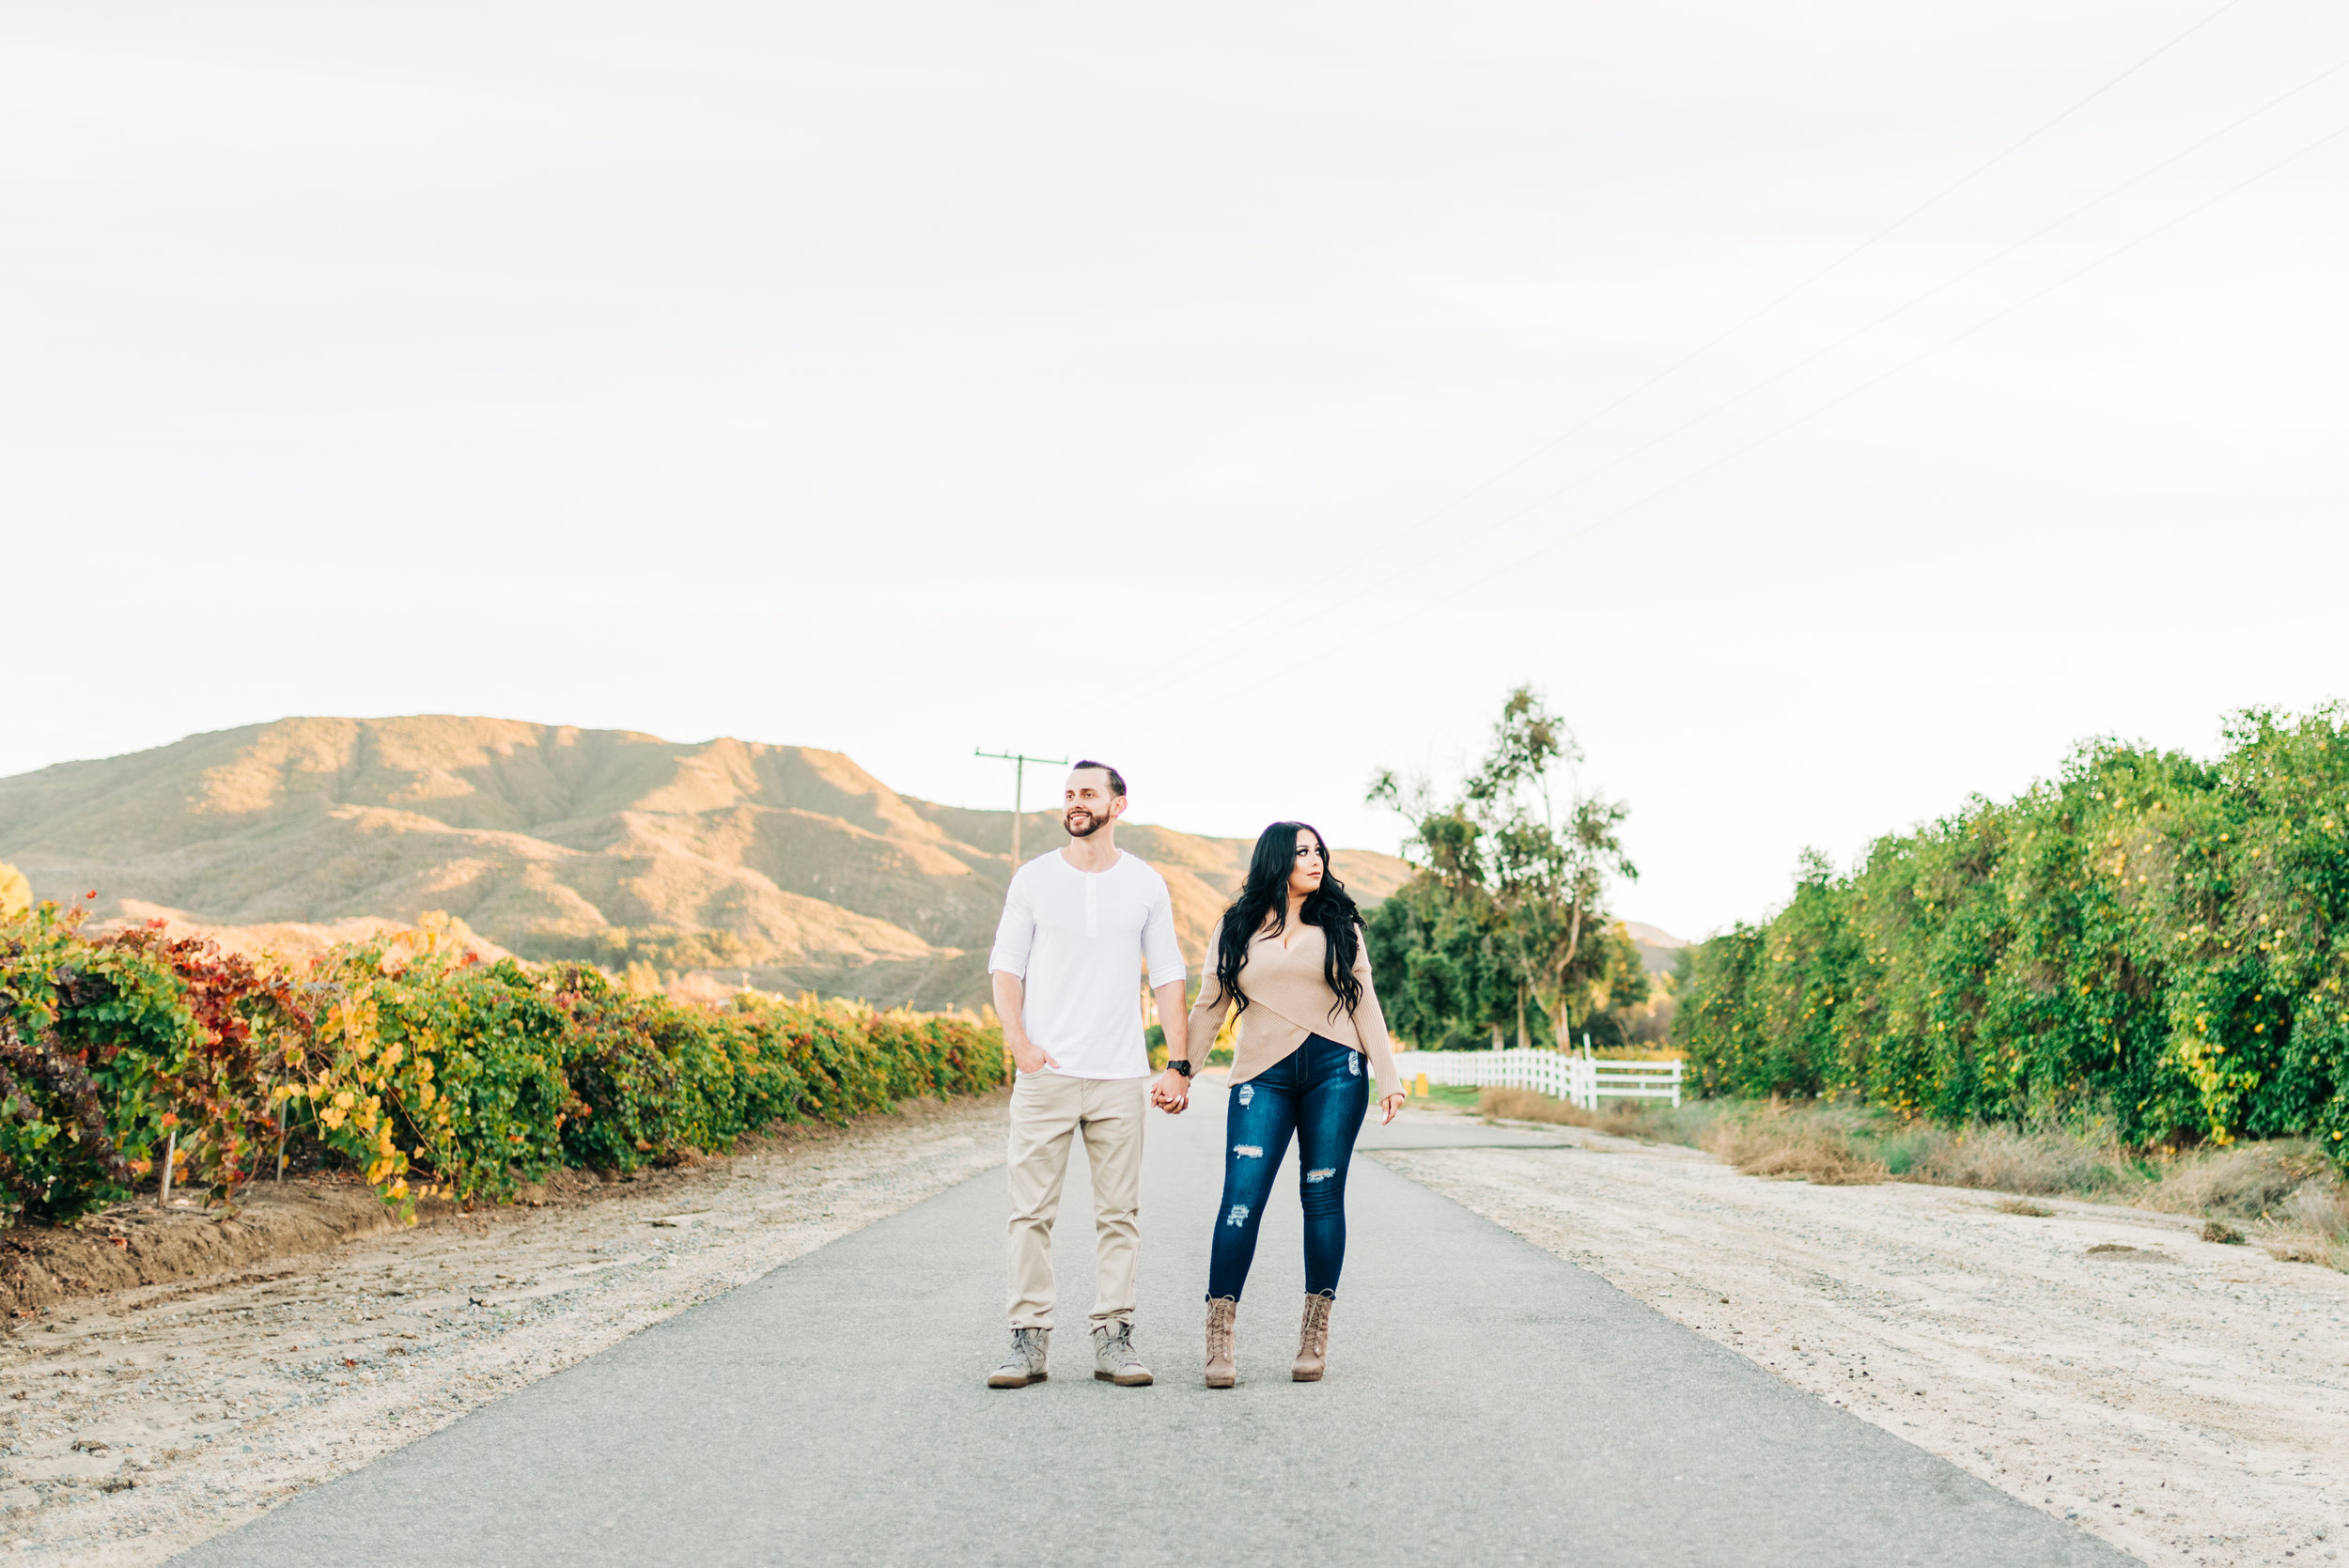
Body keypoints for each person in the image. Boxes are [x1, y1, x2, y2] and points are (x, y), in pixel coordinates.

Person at [1174, 821, 1404, 1388]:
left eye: (1319, 850)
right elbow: (1210, 1004)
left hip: (1336, 1070)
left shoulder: (1339, 923)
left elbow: (1365, 999)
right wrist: (1182, 1071)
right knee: (1240, 1202)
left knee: (1322, 1197)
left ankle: (1313, 1335)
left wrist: (1388, 1075)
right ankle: (1220, 1341)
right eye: (1302, 851)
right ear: (1276, 860)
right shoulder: (1236, 926)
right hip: (1260, 1075)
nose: (1315, 858)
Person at [985, 761, 1190, 1389]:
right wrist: (1020, 1044)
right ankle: (1028, 1340)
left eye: (1088, 793)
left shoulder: (1146, 883)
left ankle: (1114, 1336)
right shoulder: (1034, 878)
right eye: (1069, 793)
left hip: (1120, 1075)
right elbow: (1006, 967)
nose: (1075, 802)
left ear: (1117, 804)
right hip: (1045, 1074)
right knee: (1030, 1213)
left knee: (1119, 1213)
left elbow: (1168, 977)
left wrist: (1178, 1064)